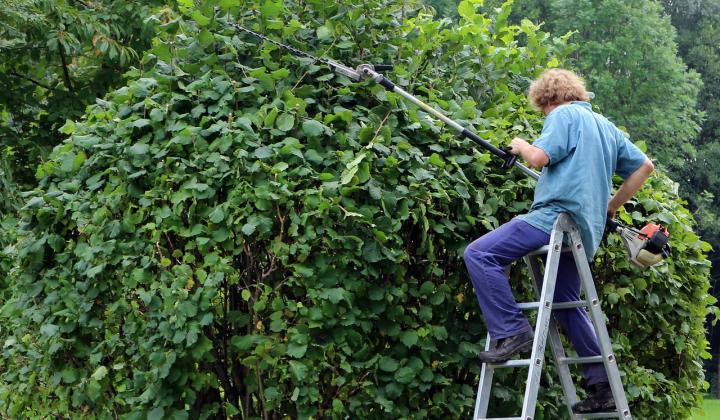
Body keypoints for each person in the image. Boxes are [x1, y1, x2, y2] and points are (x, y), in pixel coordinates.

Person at [463, 68, 654, 413]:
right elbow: (645, 167)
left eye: (542, 110)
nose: (545, 115)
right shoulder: (606, 127)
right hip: (585, 229)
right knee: (566, 302)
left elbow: (539, 158)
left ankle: (512, 330)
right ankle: (602, 386)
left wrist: (521, 146)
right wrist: (610, 207)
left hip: (554, 219)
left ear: (548, 99)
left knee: (479, 254)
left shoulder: (562, 115)